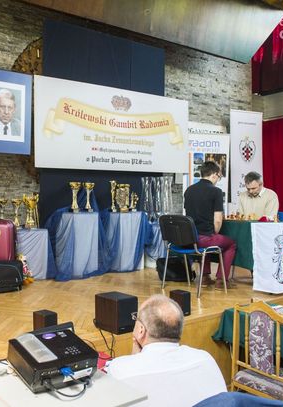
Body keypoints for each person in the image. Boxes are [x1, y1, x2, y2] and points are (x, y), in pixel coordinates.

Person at [107, 295, 226, 407]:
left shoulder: (120, 369)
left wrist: (133, 359)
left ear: (141, 330)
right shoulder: (205, 359)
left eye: (136, 319)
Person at [184, 160, 237, 289]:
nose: (218, 179)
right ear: (214, 174)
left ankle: (205, 277)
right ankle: (221, 280)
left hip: (189, 239)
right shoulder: (216, 191)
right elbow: (218, 220)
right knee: (231, 244)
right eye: (219, 176)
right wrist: (214, 234)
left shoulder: (189, 190)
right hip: (204, 240)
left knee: (206, 243)